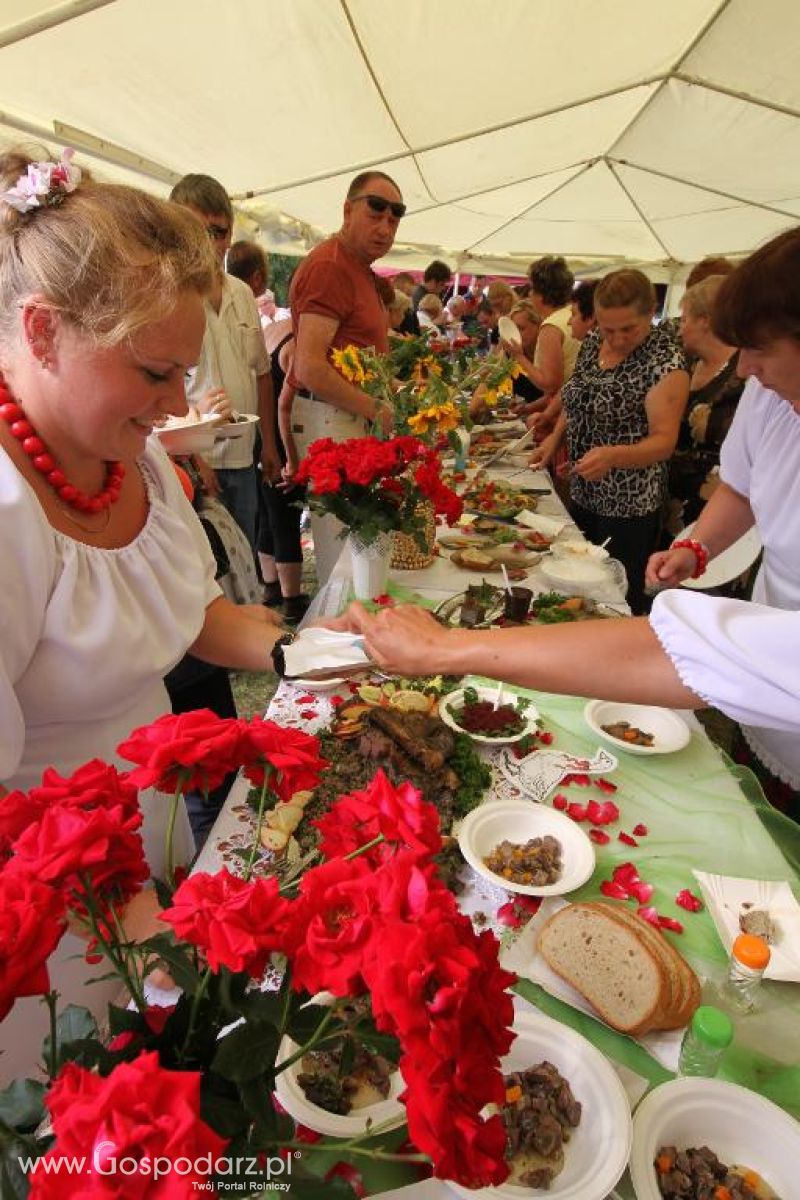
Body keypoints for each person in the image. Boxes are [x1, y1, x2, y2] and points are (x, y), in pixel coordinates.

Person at [0, 148, 287, 1078]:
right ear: (42, 334)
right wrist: (120, 898)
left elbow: (195, 615)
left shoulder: (134, 454)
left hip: (148, 830)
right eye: (157, 372)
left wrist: (318, 646)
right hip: (55, 898)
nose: (178, 403)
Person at [647, 226, 800, 803]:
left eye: (761, 349)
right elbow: (742, 486)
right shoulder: (769, 395)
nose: (744, 370)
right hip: (768, 663)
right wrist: (697, 547)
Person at [532, 269, 689, 614]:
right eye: (608, 329)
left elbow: (664, 442)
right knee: (573, 589)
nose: (616, 339)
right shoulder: (591, 344)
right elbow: (577, 401)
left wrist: (613, 455)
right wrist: (553, 438)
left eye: (628, 329)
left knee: (611, 599)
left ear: (650, 313)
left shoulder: (665, 361)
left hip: (629, 505)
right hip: (586, 491)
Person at [287, 170, 404, 585]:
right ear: (348, 209)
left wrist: (398, 394)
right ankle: (337, 642)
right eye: (376, 212)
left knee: (359, 554)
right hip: (331, 422)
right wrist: (379, 409)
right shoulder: (330, 267)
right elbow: (310, 367)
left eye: (394, 219)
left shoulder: (360, 270)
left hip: (347, 419)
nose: (385, 226)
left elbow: (357, 355)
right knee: (343, 560)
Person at [170, 173, 278, 553]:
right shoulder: (167, 296)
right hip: (191, 463)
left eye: (218, 231)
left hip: (242, 456)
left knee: (245, 557)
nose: (210, 242)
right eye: (196, 230)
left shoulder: (244, 293)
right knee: (205, 568)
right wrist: (193, 452)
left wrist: (268, 445)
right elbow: (156, 392)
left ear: (230, 235)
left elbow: (262, 374)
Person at [226, 240, 309, 622]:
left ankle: (270, 585)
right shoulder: (290, 334)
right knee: (284, 512)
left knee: (265, 514)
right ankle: (292, 597)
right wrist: (288, 451)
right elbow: (283, 400)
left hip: (252, 433)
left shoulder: (252, 323)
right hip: (277, 434)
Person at [667, 275, 744, 532]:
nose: (680, 328)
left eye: (685, 319)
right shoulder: (687, 364)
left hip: (714, 509)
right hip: (671, 500)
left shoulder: (743, 373)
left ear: (706, 321)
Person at [507, 256, 580, 396]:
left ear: (541, 294)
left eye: (532, 289)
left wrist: (519, 356)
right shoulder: (572, 315)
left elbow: (551, 385)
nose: (529, 294)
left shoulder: (551, 327)